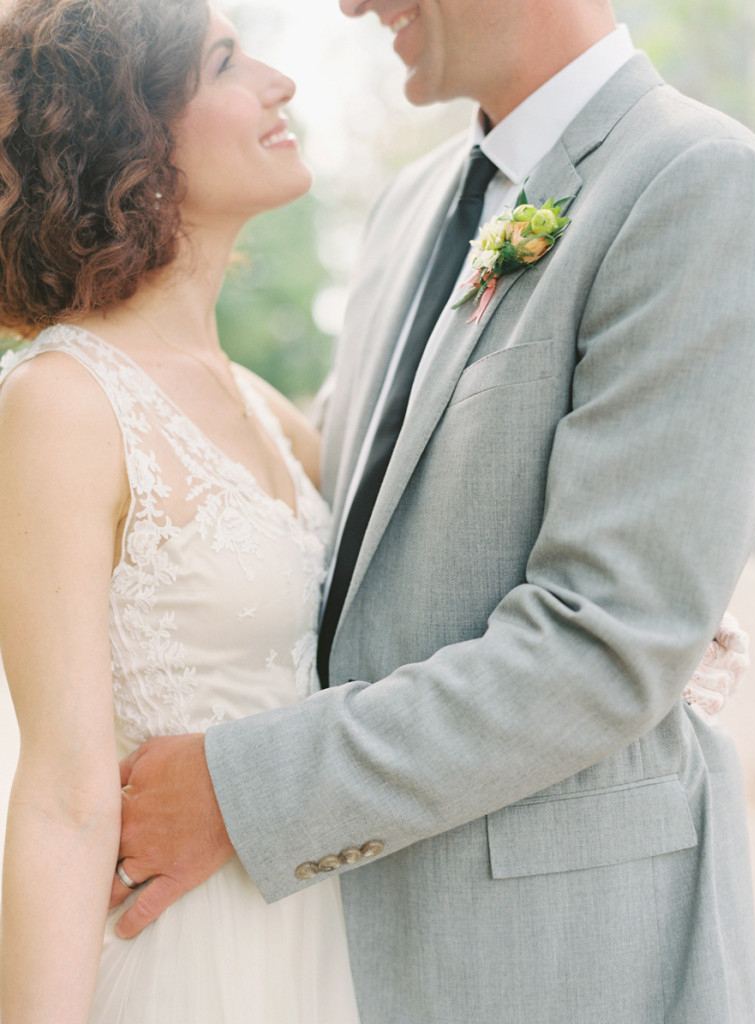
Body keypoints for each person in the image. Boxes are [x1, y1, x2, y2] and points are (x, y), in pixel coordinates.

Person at [108, 0, 755, 1021]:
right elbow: (339, 513)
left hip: (568, 963)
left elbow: (605, 641)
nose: (351, 5)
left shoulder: (693, 177)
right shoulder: (408, 208)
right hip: (338, 954)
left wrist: (240, 794)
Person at [0, 1, 362, 1021]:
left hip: (319, 944)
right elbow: (64, 800)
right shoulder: (60, 404)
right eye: (226, 62)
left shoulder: (264, 406)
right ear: (130, 136)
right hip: (182, 967)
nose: (279, 81)